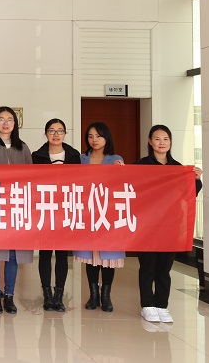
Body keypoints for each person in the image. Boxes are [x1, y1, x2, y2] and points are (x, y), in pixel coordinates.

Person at [135, 125, 203, 323]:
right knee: (148, 267)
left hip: (170, 226)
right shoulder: (140, 166)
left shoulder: (178, 168)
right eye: (157, 139)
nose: (162, 143)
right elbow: (129, 185)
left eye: (165, 139)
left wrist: (196, 179)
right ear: (150, 142)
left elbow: (189, 193)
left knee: (164, 269)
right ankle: (147, 305)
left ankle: (161, 306)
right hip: (147, 226)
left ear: (170, 142)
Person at [0, 106, 34, 314]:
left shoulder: (23, 148)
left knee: (13, 253)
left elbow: (31, 179)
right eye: (1, 119)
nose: (5, 123)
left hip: (17, 207)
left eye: (9, 119)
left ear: (15, 123)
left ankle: (9, 296)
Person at [31, 118, 82, 312]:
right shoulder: (37, 155)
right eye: (52, 131)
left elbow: (80, 181)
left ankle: (58, 296)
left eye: (60, 131)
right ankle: (47, 295)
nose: (56, 134)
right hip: (44, 208)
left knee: (61, 254)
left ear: (65, 134)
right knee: (45, 253)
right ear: (46, 133)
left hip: (66, 208)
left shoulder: (73, 155)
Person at [76, 122, 125, 313]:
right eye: (90, 136)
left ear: (106, 138)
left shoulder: (116, 159)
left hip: (108, 214)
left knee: (108, 258)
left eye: (98, 136)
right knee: (91, 257)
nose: (94, 140)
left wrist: (122, 171)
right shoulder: (81, 159)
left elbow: (122, 185)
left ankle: (106, 296)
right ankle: (93, 295)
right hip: (87, 213)